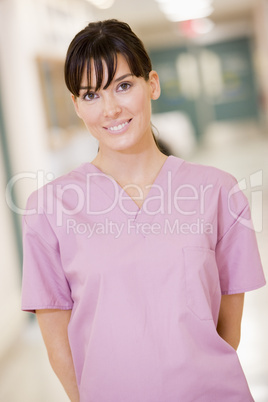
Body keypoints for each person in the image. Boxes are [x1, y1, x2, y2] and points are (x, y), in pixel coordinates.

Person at [21, 19, 266, 402]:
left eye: (123, 85)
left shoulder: (218, 191)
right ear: (76, 105)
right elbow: (59, 347)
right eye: (90, 95)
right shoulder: (49, 209)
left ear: (151, 84)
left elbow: (228, 329)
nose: (111, 109)